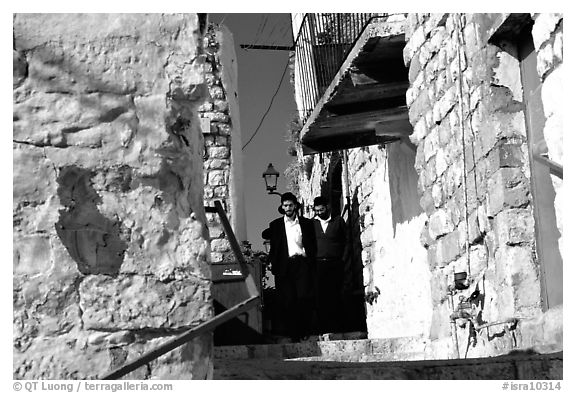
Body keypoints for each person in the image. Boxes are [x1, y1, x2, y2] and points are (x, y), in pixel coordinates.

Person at [266, 192, 317, 342]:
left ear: (295, 206)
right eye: (285, 205)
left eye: (290, 205)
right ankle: (292, 334)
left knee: (304, 298)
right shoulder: (275, 225)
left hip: (302, 264)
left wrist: (311, 262)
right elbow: (274, 247)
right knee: (288, 300)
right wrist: (270, 262)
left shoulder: (306, 224)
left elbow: (313, 245)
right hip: (284, 265)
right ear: (282, 207)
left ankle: (304, 331)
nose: (288, 208)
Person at [312, 196, 348, 334]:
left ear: (328, 207)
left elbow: (346, 241)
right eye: (317, 211)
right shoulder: (312, 224)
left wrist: (343, 258)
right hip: (319, 265)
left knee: (337, 295)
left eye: (321, 209)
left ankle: (338, 327)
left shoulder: (338, 221)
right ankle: (323, 328)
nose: (320, 213)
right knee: (321, 297)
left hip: (336, 264)